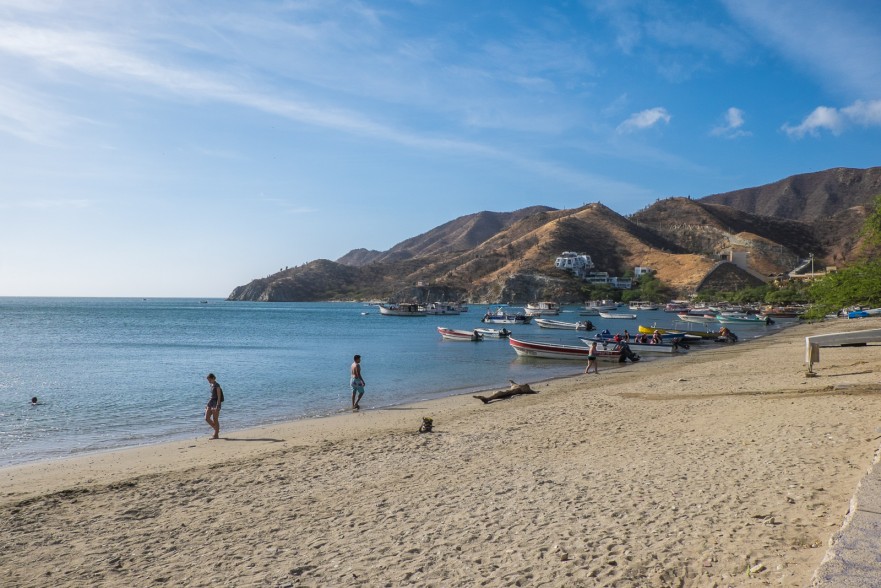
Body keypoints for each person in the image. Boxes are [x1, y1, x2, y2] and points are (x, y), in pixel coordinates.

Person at [205, 373, 223, 439]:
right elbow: (211, 396)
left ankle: (216, 435)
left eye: (209, 380)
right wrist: (207, 404)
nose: (208, 381)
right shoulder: (211, 385)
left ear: (213, 378)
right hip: (210, 402)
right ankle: (216, 430)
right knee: (206, 418)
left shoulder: (217, 386)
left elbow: (219, 396)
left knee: (215, 419)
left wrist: (218, 405)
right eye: (208, 380)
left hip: (216, 403)